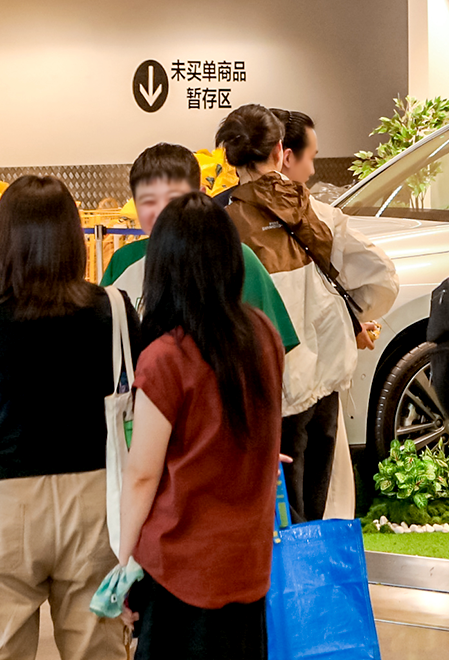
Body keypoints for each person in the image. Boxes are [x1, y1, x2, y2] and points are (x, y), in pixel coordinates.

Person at [0, 175, 142, 660]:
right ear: (75, 240)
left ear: (1, 241)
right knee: (99, 652)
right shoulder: (114, 308)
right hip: (95, 504)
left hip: (2, 504)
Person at [118, 192, 283, 660]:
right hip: (248, 567)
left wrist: (122, 565)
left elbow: (143, 475)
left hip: (179, 573)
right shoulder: (262, 335)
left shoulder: (165, 357)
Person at [218, 104, 397, 522]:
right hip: (326, 375)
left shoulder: (220, 225)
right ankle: (315, 567)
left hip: (269, 388)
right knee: (316, 506)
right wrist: (354, 317)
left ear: (231, 157)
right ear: (279, 151)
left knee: (279, 510)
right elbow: (382, 275)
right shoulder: (317, 212)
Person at [100, 142, 298, 355]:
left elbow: (272, 346)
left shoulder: (237, 258)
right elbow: (101, 340)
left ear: (201, 196)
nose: (162, 212)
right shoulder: (123, 261)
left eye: (174, 199)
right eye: (148, 202)